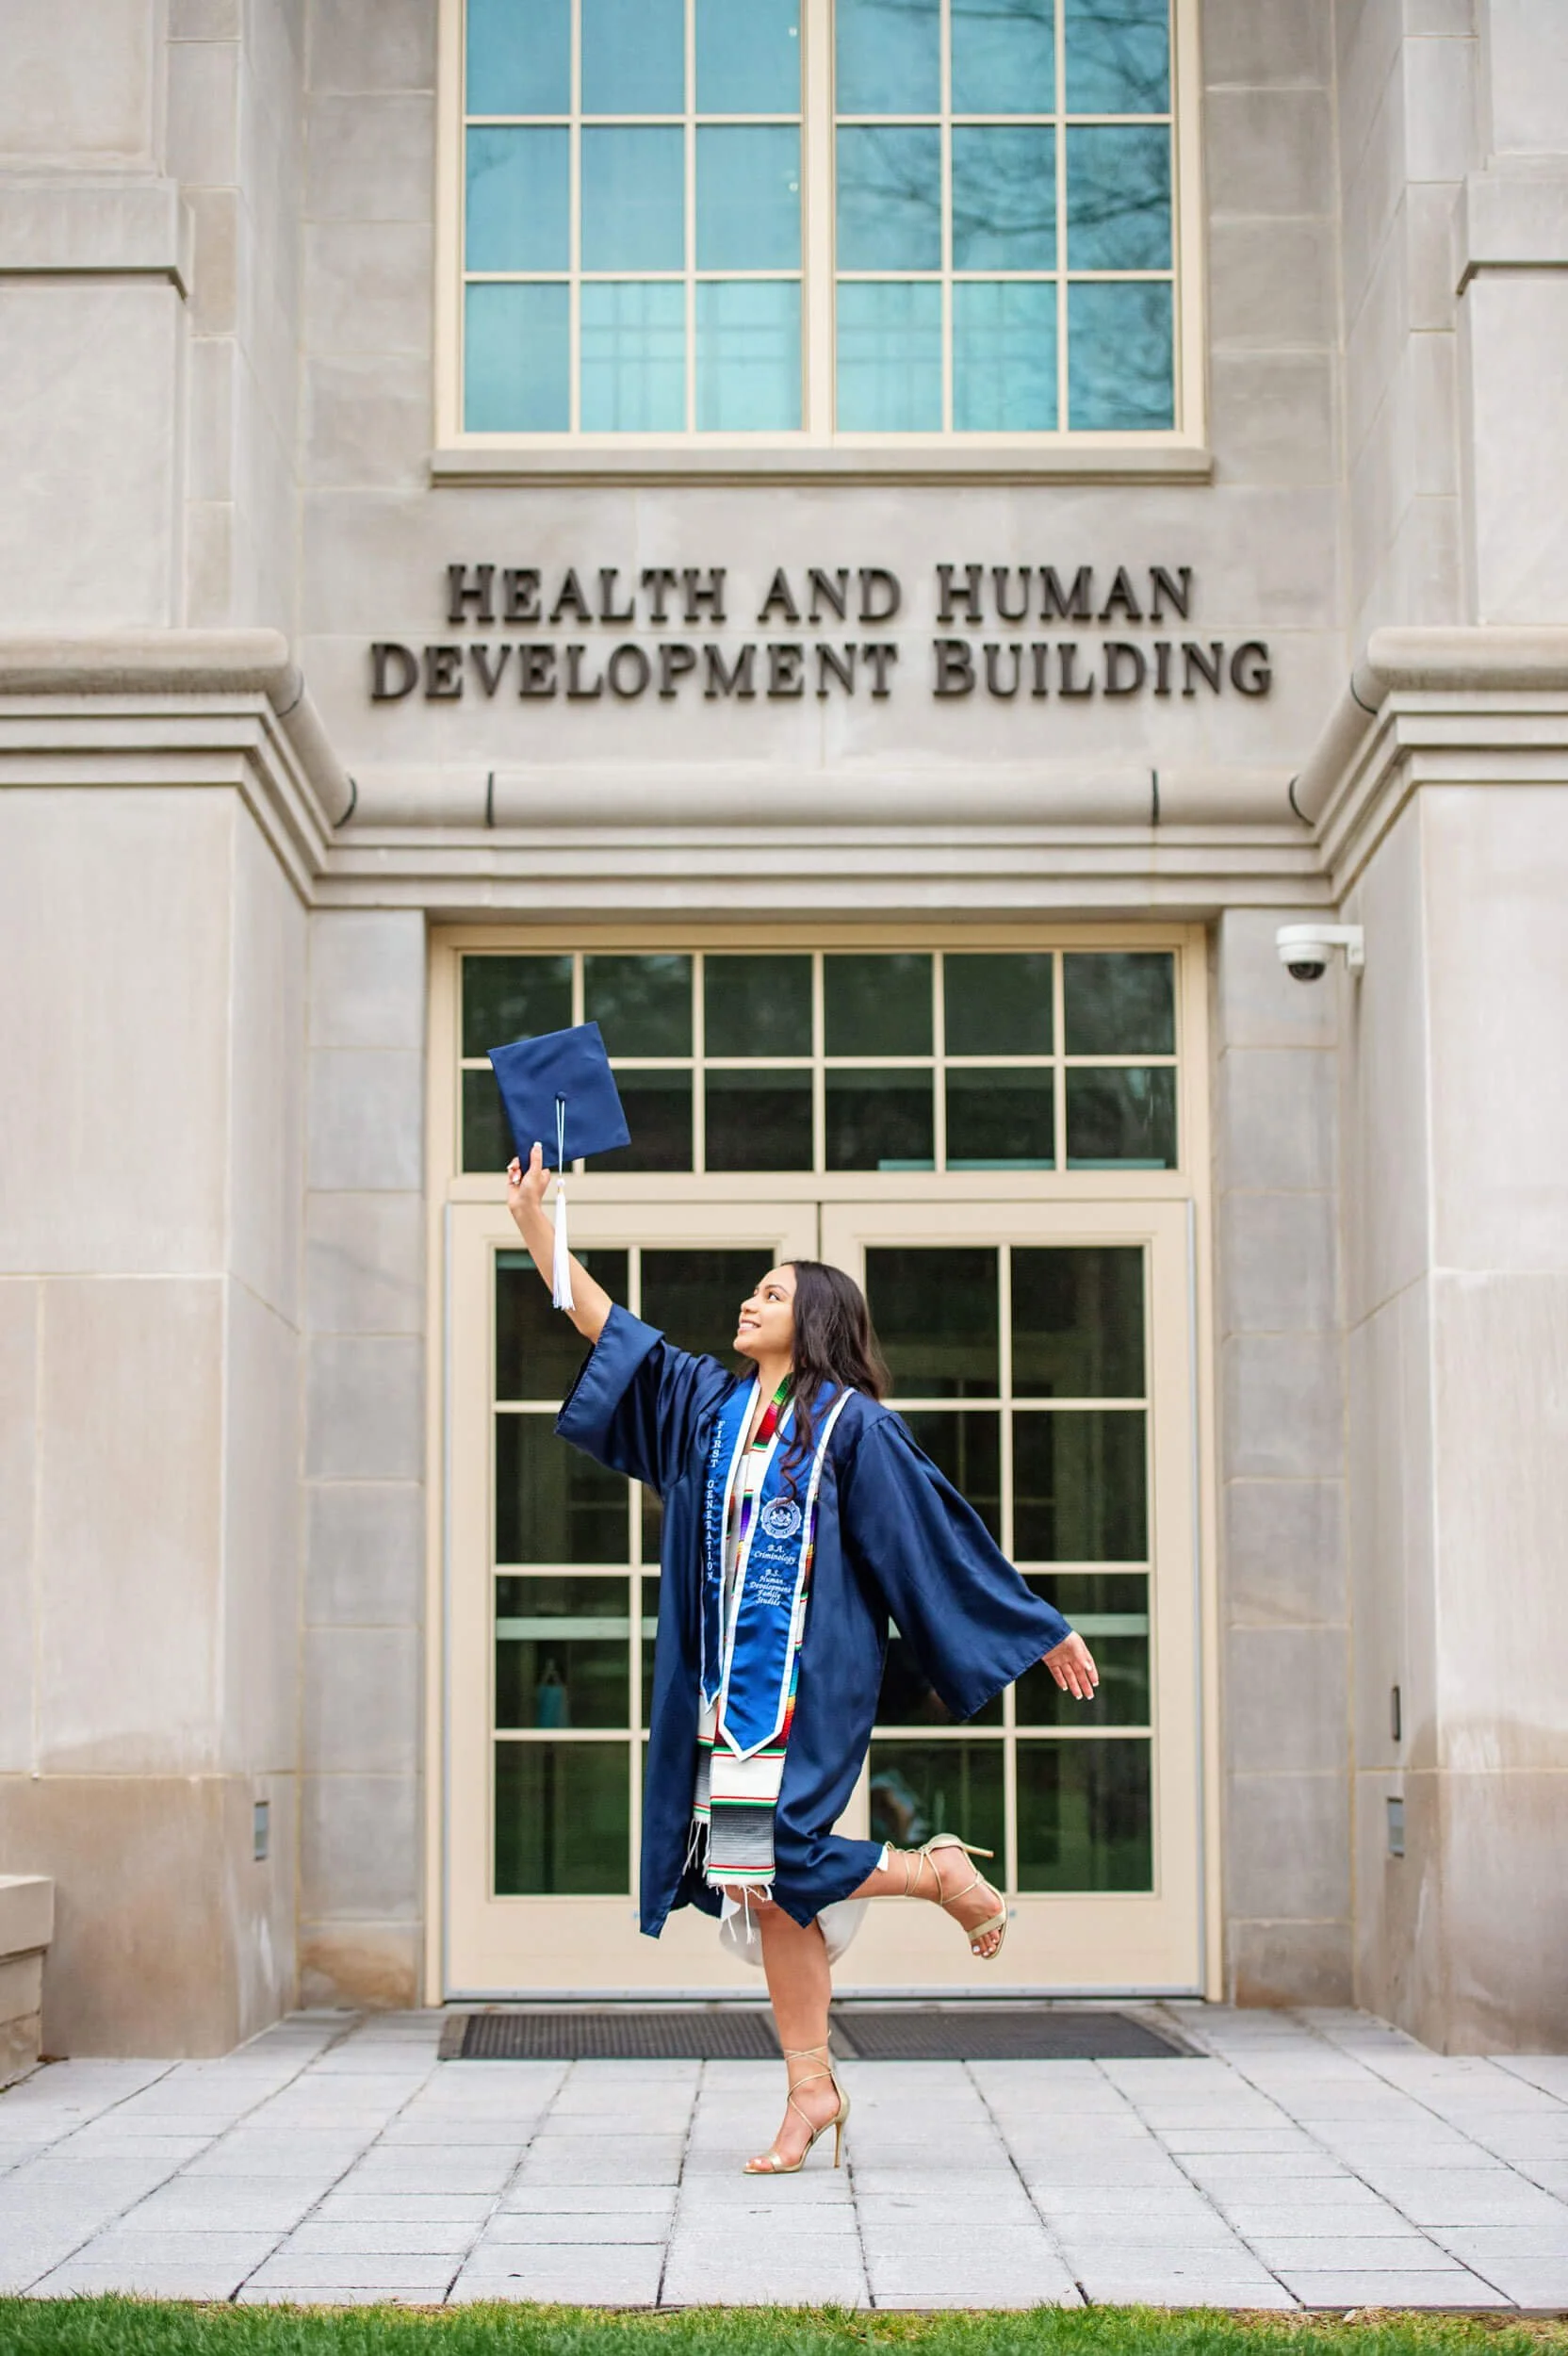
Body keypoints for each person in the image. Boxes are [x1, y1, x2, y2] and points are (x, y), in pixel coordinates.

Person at [506, 1145, 1100, 2176]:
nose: (748, 1300)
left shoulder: (852, 1429)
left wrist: (1034, 1622)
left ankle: (930, 1870)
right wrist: (534, 1227)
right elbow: (609, 1329)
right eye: (752, 1289)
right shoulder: (707, 1408)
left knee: (767, 1850)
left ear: (815, 1319)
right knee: (761, 1887)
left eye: (770, 1293)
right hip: (722, 1690)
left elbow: (934, 1533)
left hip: (807, 1686)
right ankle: (809, 2088)